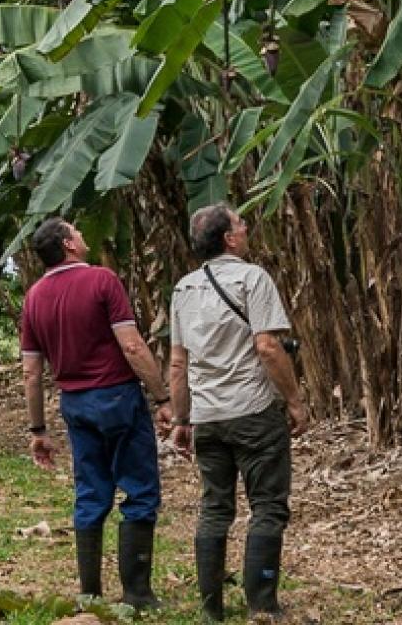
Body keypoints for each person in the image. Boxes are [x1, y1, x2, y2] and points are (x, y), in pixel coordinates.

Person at [19, 217, 172, 611]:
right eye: (77, 232)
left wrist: (38, 428)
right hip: (118, 396)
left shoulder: (34, 297)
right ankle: (137, 593)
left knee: (90, 492)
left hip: (75, 403)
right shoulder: (102, 280)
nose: (84, 236)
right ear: (68, 244)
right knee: (139, 490)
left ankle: (89, 592)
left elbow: (31, 371)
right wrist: (161, 398)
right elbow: (133, 346)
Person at [166, 204, 307, 621]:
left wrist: (181, 420)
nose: (246, 228)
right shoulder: (252, 277)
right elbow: (267, 347)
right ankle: (262, 604)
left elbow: (177, 362)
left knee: (215, 508)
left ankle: (212, 610)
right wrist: (295, 402)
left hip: (207, 417)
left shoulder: (183, 289)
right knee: (267, 505)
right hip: (253, 412)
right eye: (241, 223)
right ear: (229, 238)